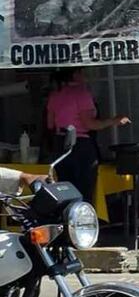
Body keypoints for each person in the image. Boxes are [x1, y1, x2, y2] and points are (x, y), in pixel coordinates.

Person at [45, 68, 130, 203]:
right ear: (75, 75)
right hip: (80, 144)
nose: (85, 76)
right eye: (82, 73)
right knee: (84, 189)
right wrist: (113, 121)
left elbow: (50, 124)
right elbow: (90, 124)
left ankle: (67, 219)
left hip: (60, 143)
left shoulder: (55, 95)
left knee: (65, 188)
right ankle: (83, 220)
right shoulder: (82, 94)